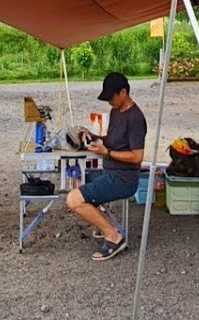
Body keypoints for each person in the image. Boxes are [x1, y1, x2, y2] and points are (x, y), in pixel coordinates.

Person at [65, 71, 146, 261]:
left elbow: (137, 156)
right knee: (78, 179)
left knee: (73, 200)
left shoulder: (135, 118)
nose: (109, 101)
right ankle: (103, 224)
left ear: (123, 92)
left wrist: (107, 153)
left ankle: (113, 236)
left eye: (111, 97)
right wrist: (94, 137)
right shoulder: (116, 111)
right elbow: (113, 139)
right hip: (110, 171)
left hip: (124, 178)